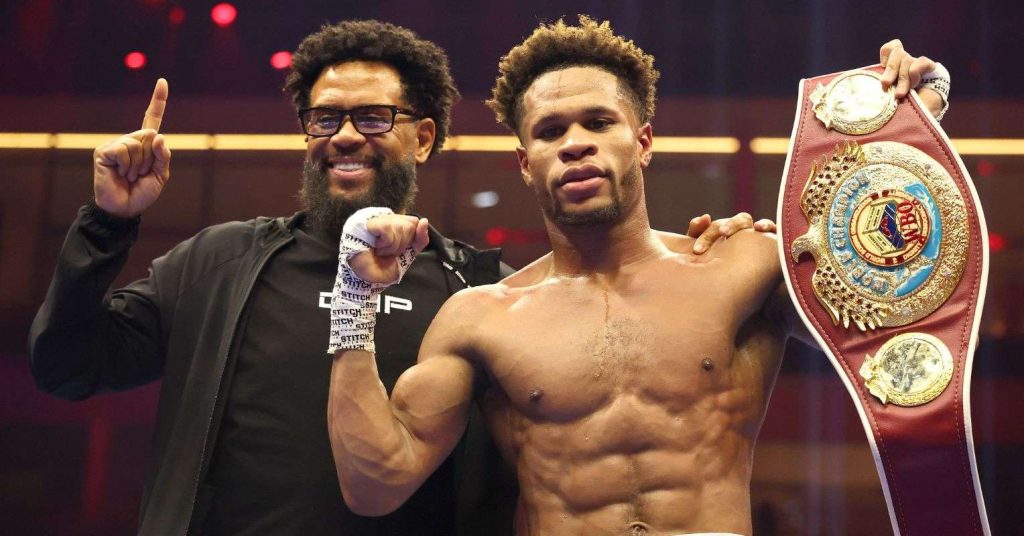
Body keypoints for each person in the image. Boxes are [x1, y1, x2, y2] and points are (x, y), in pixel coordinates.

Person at [27, 19, 757, 535]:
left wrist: (752, 243)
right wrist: (106, 222)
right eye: (325, 119)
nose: (346, 135)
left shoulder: (476, 288)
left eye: (375, 117)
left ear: (423, 137)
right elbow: (68, 365)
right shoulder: (220, 263)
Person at [324, 17, 948, 536]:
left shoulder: (741, 267)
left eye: (598, 123)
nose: (574, 144)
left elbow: (898, 323)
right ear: (525, 162)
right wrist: (354, 297)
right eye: (550, 131)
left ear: (643, 141)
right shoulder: (480, 317)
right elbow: (376, 483)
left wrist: (909, 129)